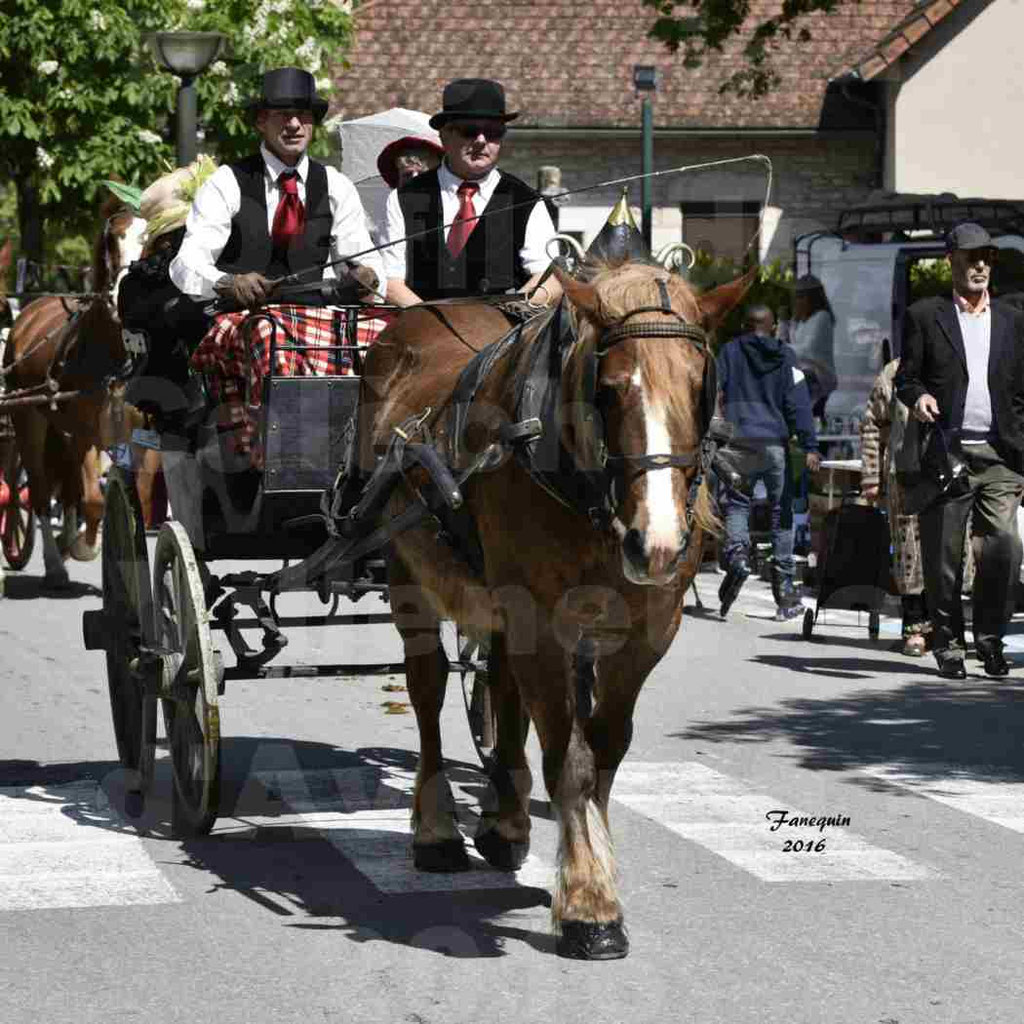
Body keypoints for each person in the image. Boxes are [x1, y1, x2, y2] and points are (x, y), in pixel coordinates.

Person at [895, 222, 1024, 679]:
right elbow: (905, 379)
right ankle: (948, 646)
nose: (981, 266)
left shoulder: (1012, 318)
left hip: (1000, 455)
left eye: (987, 257)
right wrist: (919, 397)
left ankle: (990, 640)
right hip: (946, 454)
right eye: (971, 258)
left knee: (1005, 547)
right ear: (950, 260)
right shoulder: (925, 315)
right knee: (944, 560)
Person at [170, 67, 384, 309]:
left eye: (303, 114)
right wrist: (227, 282)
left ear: (312, 121)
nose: (294, 124)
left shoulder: (336, 186)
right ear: (261, 121)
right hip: (240, 321)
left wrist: (367, 275)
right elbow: (186, 263)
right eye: (282, 114)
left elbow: (364, 260)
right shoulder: (227, 181)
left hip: (314, 325)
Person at [381, 78, 561, 308]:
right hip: (421, 335)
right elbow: (390, 281)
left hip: (499, 337)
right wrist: (434, 323)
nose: (481, 141)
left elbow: (549, 279)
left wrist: (508, 316)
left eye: (494, 132)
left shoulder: (527, 201)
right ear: (444, 135)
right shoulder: (404, 198)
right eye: (470, 131)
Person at [716, 305, 822, 620]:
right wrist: (810, 444)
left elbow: (714, 391)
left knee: (736, 504)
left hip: (737, 441)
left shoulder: (729, 352)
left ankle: (738, 559)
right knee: (782, 513)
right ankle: (786, 595)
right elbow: (798, 402)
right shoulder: (786, 356)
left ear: (744, 325)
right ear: (774, 326)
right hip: (775, 445)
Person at [789, 274, 837, 418]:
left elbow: (807, 350)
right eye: (796, 296)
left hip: (819, 376)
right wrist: (792, 323)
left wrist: (783, 348)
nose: (798, 301)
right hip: (804, 374)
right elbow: (795, 345)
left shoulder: (822, 318)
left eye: (801, 296)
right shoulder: (803, 321)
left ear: (812, 297)